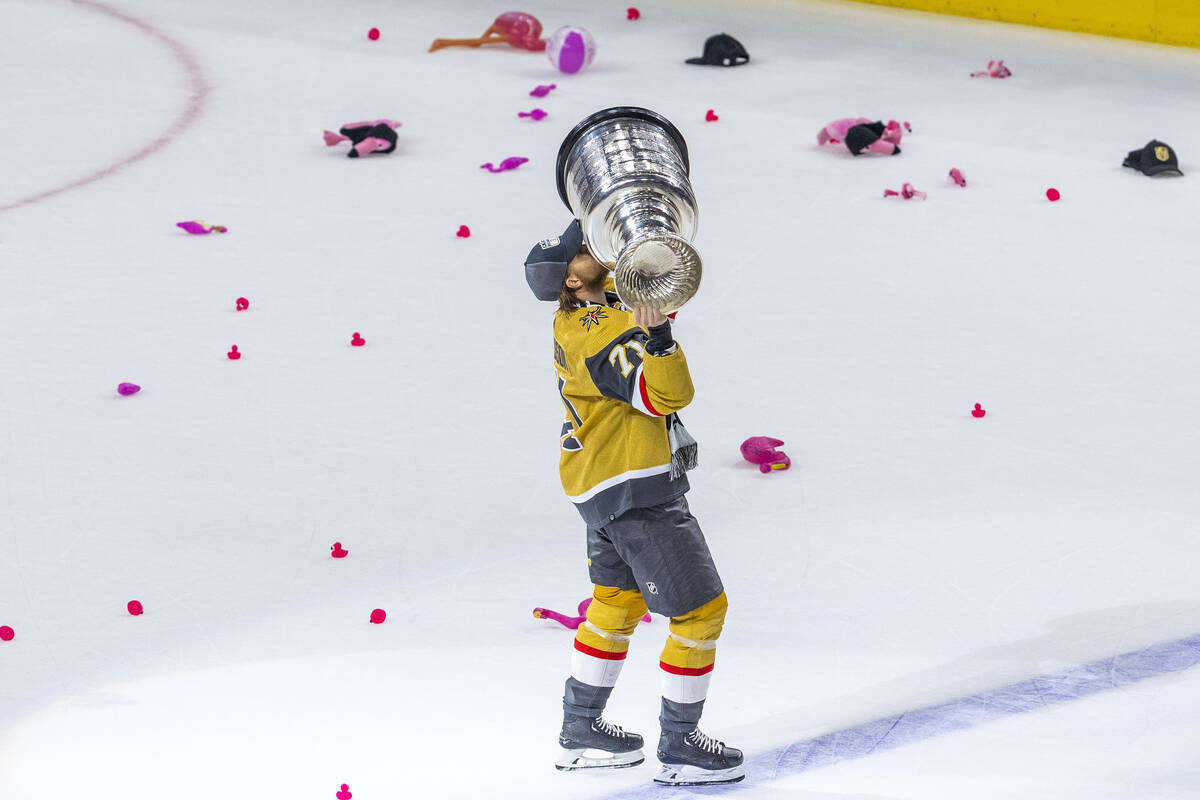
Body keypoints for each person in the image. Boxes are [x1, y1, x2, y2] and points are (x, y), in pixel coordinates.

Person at [523, 219, 744, 786]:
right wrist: (662, 341)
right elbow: (664, 394)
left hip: (598, 483)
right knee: (701, 611)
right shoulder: (599, 329)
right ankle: (681, 745)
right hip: (636, 487)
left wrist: (652, 307)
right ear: (573, 281)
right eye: (580, 250)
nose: (589, 245)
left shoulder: (587, 315)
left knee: (616, 605)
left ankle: (581, 730)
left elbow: (632, 296)